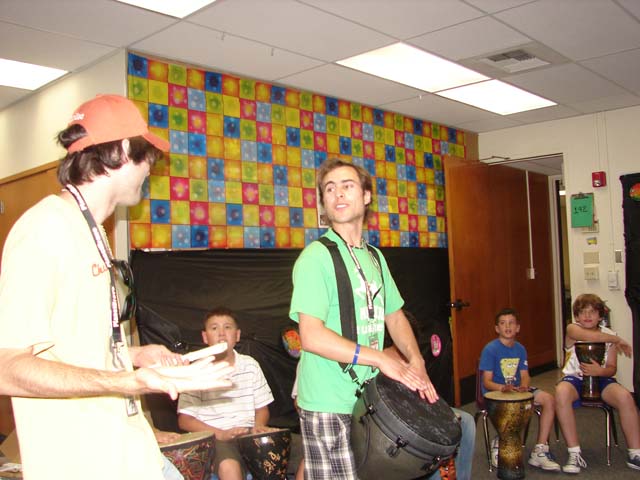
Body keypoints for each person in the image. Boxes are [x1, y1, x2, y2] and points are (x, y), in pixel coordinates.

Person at [0, 94, 234, 480]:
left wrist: (136, 357)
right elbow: (7, 367)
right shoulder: (45, 229)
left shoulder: (94, 233)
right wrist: (131, 380)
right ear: (125, 149)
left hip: (130, 451)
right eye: (148, 157)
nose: (150, 169)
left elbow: (72, 347)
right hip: (83, 464)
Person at [289, 157, 437, 480]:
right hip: (328, 402)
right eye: (330, 189)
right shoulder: (316, 258)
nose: (338, 194)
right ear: (324, 202)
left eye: (347, 186)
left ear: (367, 196)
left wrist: (416, 360)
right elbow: (311, 336)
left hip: (369, 400)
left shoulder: (374, 257)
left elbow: (394, 316)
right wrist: (381, 358)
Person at [178, 307, 274, 480]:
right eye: (214, 328)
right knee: (229, 466)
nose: (221, 334)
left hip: (249, 436)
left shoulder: (250, 365)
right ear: (205, 337)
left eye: (227, 327)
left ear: (237, 335)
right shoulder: (196, 370)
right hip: (215, 439)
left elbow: (262, 409)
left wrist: (257, 428)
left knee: (305, 450)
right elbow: (185, 420)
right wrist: (221, 434)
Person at [384, 310, 476, 480]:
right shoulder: (383, 359)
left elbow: (425, 394)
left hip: (422, 411)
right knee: (433, 439)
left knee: (466, 421)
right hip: (400, 422)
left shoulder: (413, 360)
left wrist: (443, 414)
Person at [555, 293, 640, 473]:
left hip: (602, 380)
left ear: (600, 316)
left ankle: (635, 453)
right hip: (575, 379)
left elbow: (611, 368)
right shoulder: (573, 329)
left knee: (625, 397)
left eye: (592, 312)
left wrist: (600, 371)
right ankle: (574, 453)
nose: (587, 316)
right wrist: (616, 339)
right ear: (577, 316)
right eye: (582, 312)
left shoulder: (609, 335)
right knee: (561, 391)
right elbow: (589, 336)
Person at [479, 308, 561, 472]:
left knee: (549, 400)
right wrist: (503, 388)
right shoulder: (490, 349)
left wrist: (524, 386)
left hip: (517, 391)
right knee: (512, 407)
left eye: (511, 323)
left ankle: (540, 450)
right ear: (497, 328)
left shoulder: (520, 349)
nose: (507, 326)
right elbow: (486, 382)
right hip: (496, 393)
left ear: (518, 328)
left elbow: (525, 375)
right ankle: (500, 441)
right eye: (503, 323)